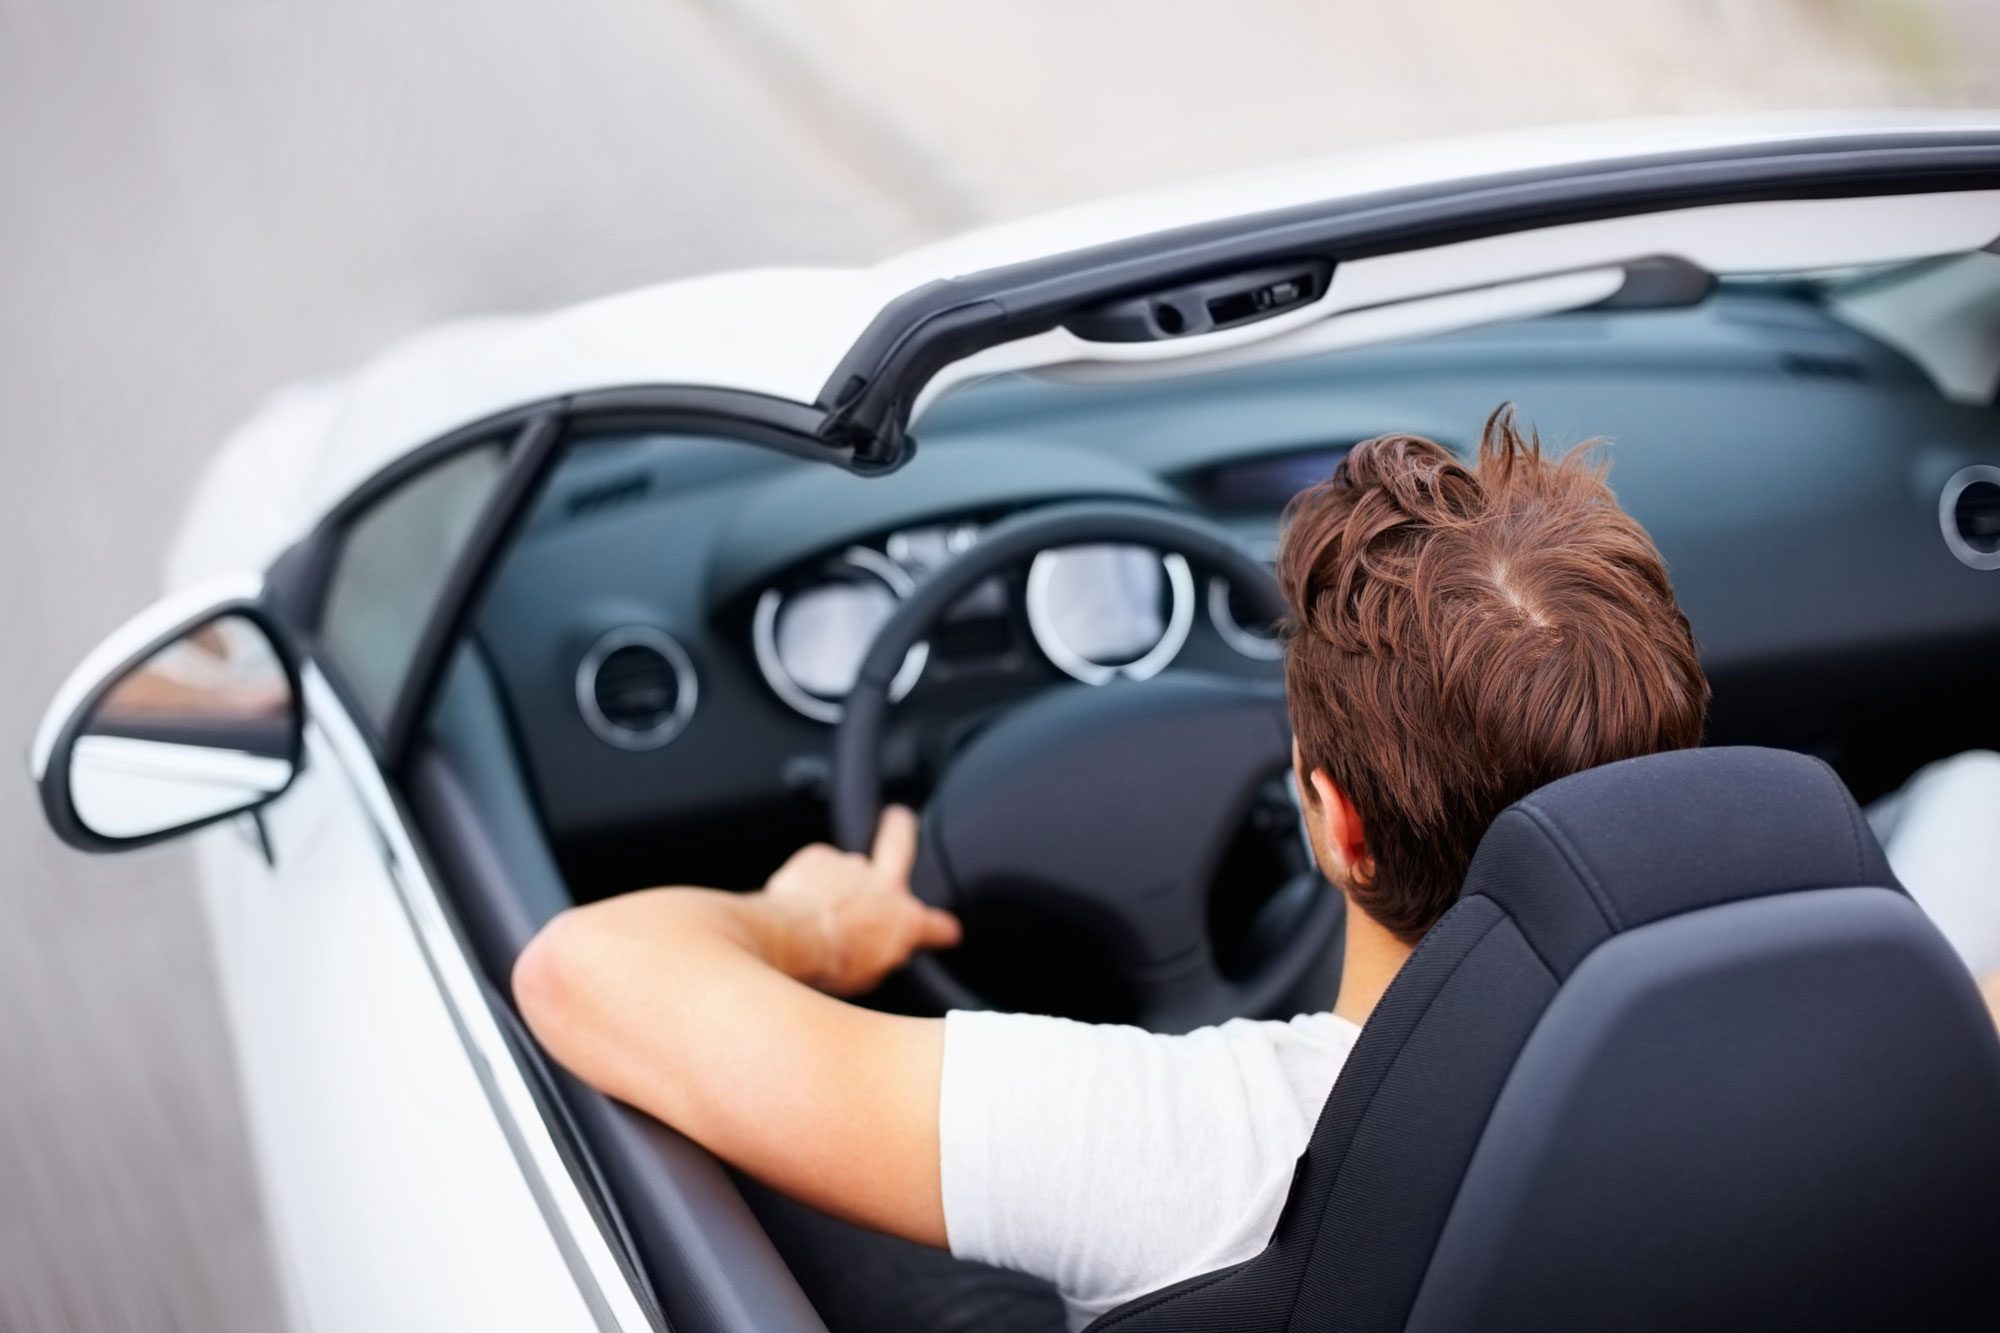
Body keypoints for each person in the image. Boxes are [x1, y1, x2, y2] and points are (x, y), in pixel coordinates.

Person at [513, 407, 2000, 1332]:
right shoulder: (1916, 1052)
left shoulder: (1195, 1151)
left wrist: (809, 922)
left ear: (1333, 821)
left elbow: (583, 975)